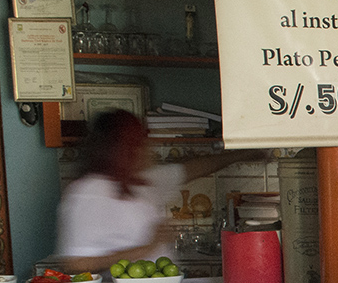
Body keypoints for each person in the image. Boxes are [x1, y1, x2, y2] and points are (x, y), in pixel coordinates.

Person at [55, 109, 263, 274]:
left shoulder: (143, 182)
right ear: (119, 150)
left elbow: (193, 169)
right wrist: (146, 248)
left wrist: (244, 153)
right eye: (138, 144)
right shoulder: (89, 192)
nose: (147, 149)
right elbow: (76, 264)